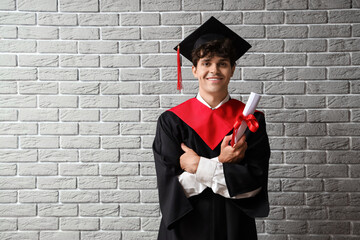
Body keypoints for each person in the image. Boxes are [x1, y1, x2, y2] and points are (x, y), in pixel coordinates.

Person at [152, 16, 270, 240]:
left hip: (234, 230)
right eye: (206, 63)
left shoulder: (250, 121)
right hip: (183, 231)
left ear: (232, 69)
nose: (214, 70)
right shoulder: (171, 121)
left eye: (222, 63)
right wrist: (221, 163)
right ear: (195, 70)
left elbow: (252, 186)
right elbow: (172, 192)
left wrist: (197, 166)